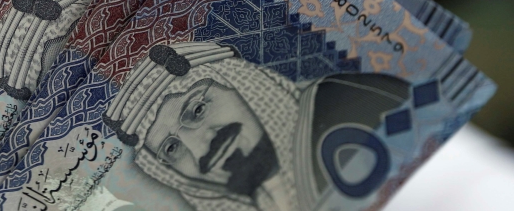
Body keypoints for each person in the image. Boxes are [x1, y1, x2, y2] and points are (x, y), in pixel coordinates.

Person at [104, 42, 413, 211]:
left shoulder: (355, 104)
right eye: (171, 148)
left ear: (241, 83)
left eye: (197, 110)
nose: (202, 148)